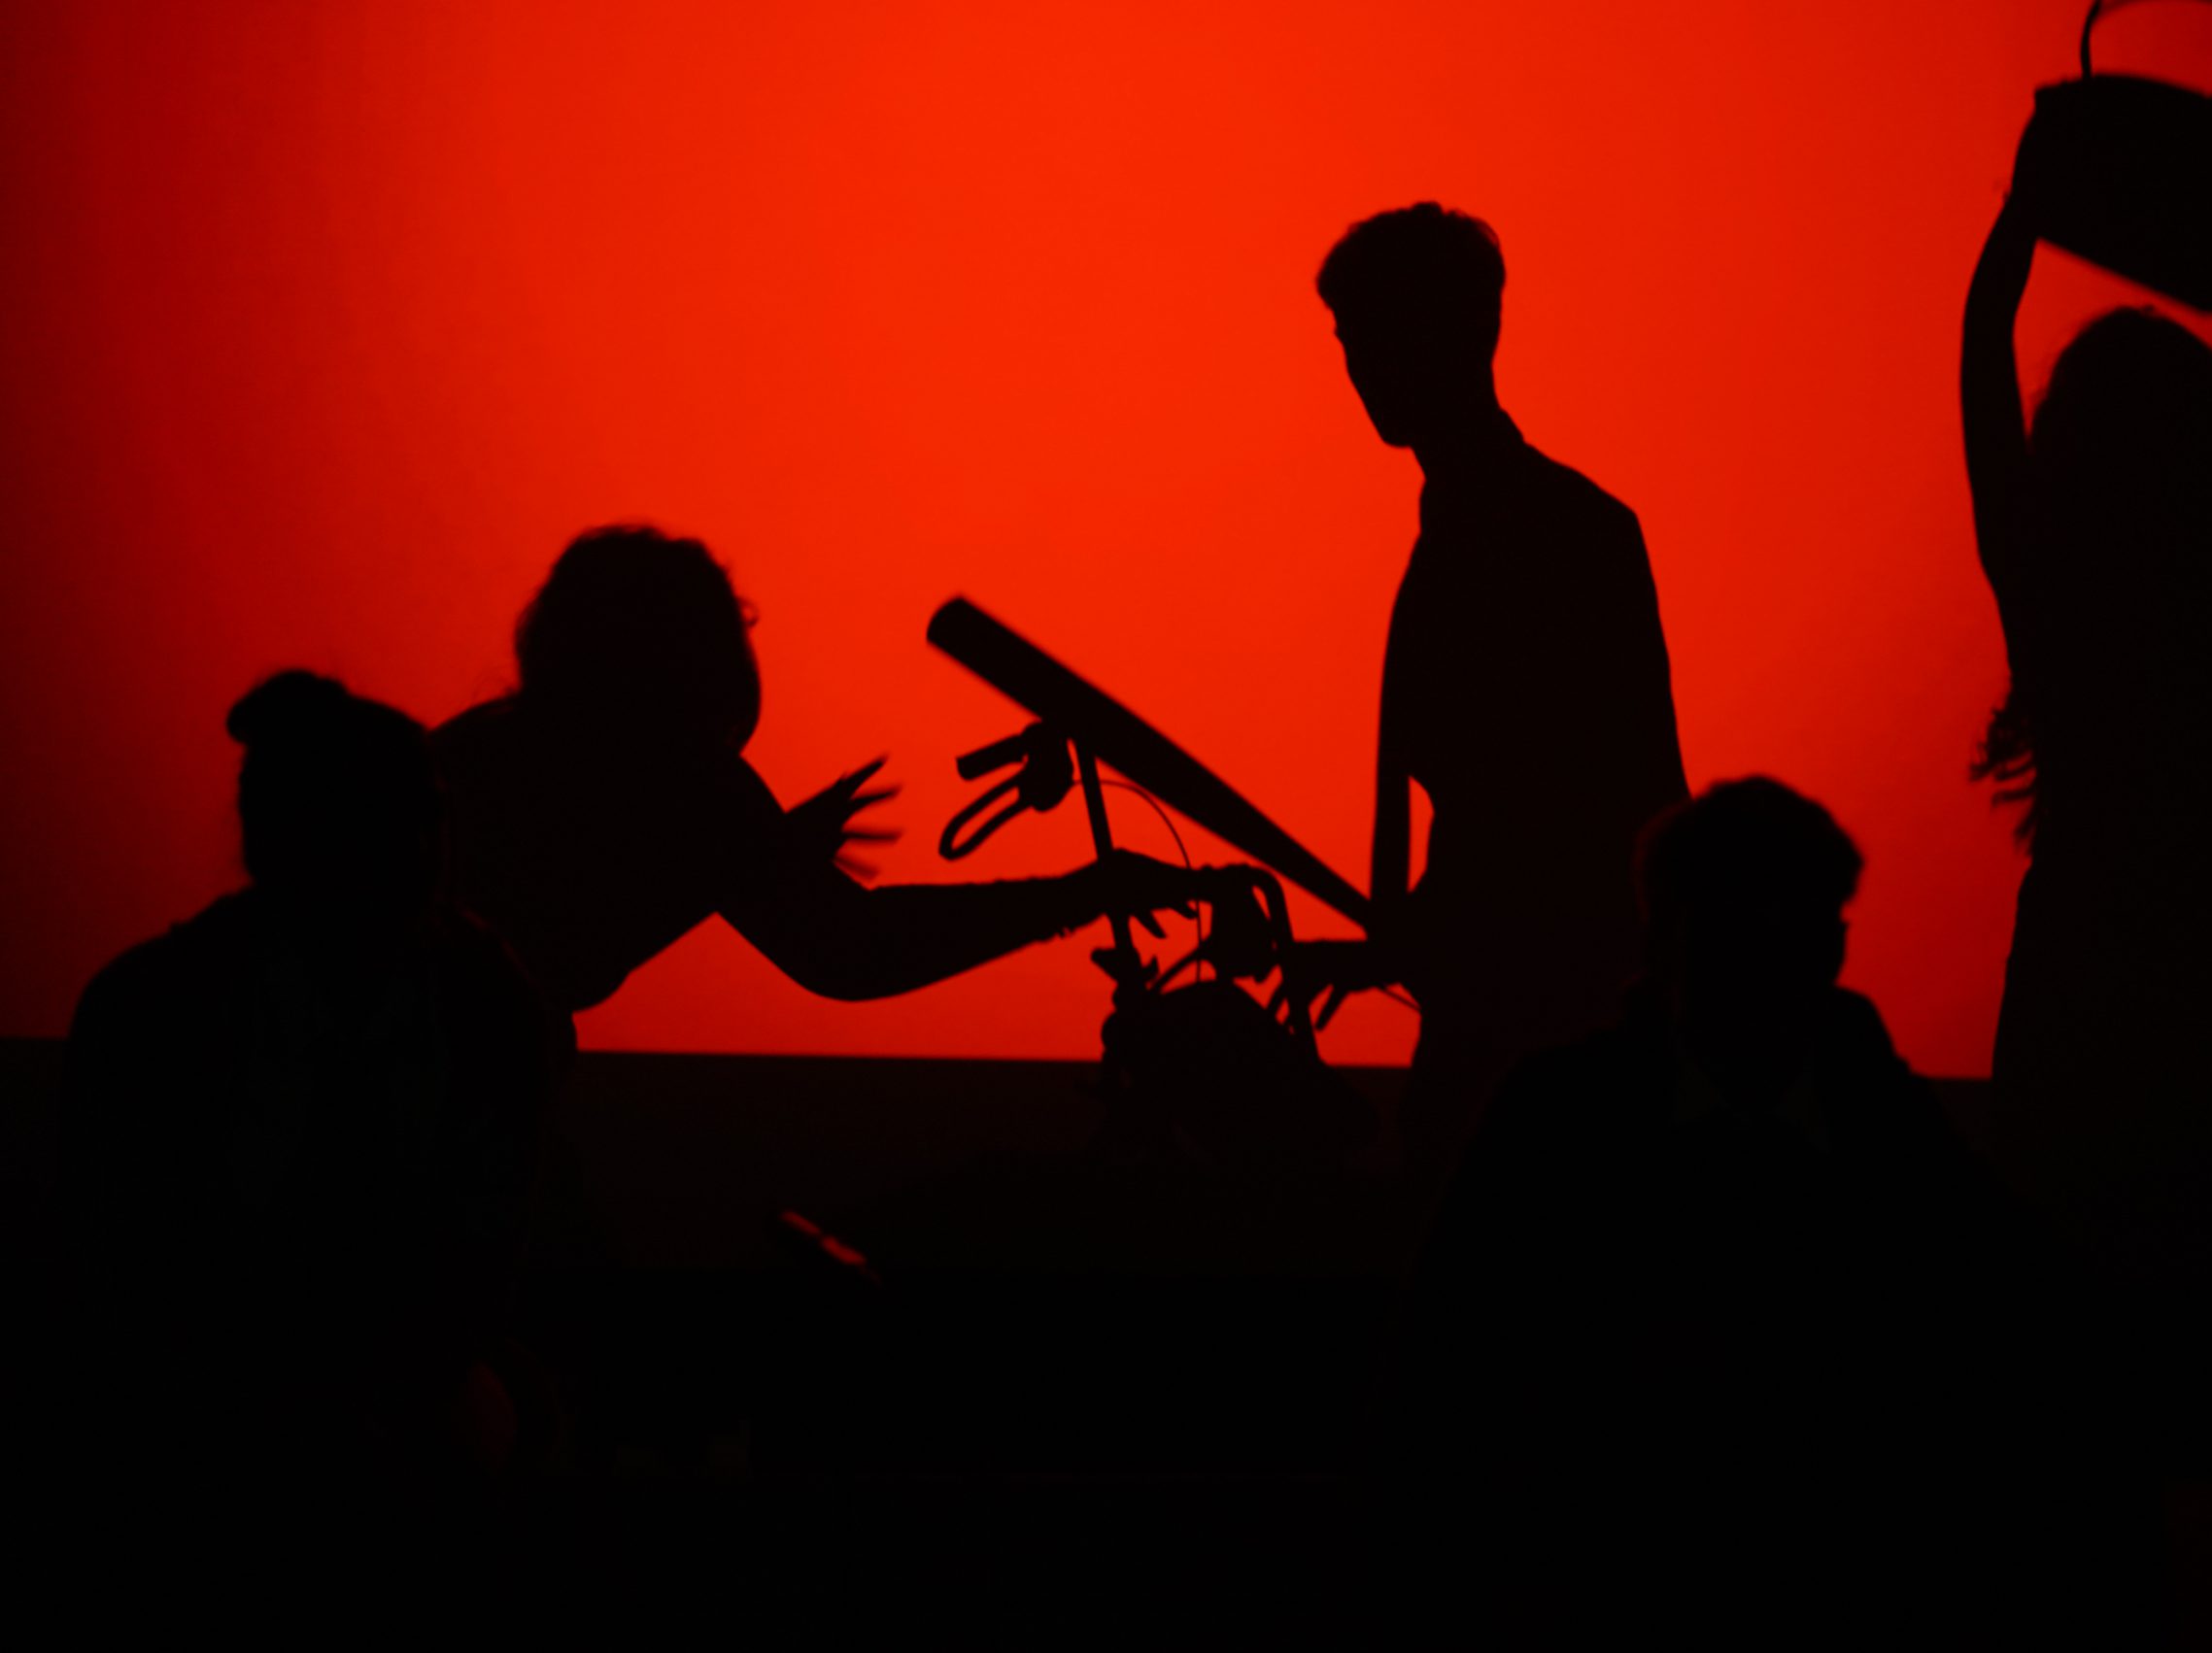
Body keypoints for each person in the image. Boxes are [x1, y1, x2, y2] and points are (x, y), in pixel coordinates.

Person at [1386, 779, 2057, 1643]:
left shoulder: (1886, 1131)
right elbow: (1445, 1388)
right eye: (1735, 925)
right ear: (1663, 943)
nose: (1760, 958)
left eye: (1788, 926)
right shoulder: (1556, 1125)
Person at [1959, 52, 2212, 1472]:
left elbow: (1982, 362)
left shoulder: (2049, 586)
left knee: (2075, 1412)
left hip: (2079, 1007)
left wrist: (2030, 207)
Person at [54, 672, 556, 1562]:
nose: (416, 848)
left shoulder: (150, 1000)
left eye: (427, 816)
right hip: (220, 1385)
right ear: (284, 833)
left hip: (340, 1392)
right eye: (378, 819)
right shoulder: (487, 1000)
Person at [1290, 204, 1688, 1188]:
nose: (1362, 369)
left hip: (1548, 1041)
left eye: (1381, 334)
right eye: (1350, 341)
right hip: (1498, 1018)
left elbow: (1588, 809)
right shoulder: (1480, 535)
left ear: (1469, 334)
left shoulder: (1563, 535)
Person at [430, 525, 1206, 1028]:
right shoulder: (684, 776)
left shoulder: (469, 753)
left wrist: (752, 859)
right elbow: (856, 950)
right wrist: (1081, 895)